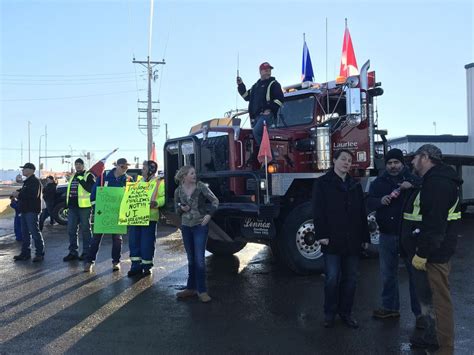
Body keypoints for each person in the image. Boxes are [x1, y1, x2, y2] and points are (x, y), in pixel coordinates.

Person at [401, 144, 462, 354]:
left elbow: (435, 226)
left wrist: (422, 253)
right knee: (429, 299)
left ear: (425, 157)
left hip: (434, 254)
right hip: (430, 251)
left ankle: (445, 348)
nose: (411, 161)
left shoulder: (437, 184)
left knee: (440, 301)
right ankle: (432, 339)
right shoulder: (433, 181)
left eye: (414, 157)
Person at [312, 149, 370, 328]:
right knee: (331, 278)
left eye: (349, 160)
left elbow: (362, 212)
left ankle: (346, 313)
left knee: (351, 279)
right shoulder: (322, 183)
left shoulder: (355, 184)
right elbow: (318, 210)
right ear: (334, 161)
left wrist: (365, 237)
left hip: (352, 240)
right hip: (332, 240)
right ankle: (329, 314)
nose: (347, 163)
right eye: (343, 159)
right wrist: (321, 235)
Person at [367, 149, 423, 326]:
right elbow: (368, 202)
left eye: (396, 163)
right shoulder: (378, 183)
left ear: (402, 164)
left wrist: (412, 185)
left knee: (415, 276)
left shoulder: (413, 179)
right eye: (390, 163)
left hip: (409, 236)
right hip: (387, 235)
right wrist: (379, 201)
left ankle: (420, 314)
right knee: (387, 274)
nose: (393, 166)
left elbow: (428, 189)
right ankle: (390, 308)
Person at [174, 165, 219, 303]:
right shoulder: (178, 191)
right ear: (184, 176)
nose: (194, 175)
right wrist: (182, 209)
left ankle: (202, 290)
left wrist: (209, 215)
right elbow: (176, 209)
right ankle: (190, 288)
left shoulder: (200, 187)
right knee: (191, 258)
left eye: (194, 173)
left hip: (200, 226)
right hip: (186, 227)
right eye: (191, 173)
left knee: (199, 260)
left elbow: (215, 201)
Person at [84, 158, 133, 272]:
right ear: (116, 165)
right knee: (96, 238)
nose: (125, 169)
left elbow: (131, 198)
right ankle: (89, 261)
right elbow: (94, 194)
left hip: (118, 215)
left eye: (126, 167)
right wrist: (97, 209)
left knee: (117, 239)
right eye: (123, 167)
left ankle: (116, 262)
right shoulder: (104, 177)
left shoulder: (128, 180)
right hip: (102, 214)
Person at [127, 160, 165, 277]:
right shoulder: (137, 182)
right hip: (136, 216)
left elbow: (164, 197)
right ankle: (135, 266)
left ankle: (147, 266)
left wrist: (157, 203)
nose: (141, 170)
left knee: (147, 242)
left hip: (150, 217)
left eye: (144, 168)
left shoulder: (159, 182)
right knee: (134, 241)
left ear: (151, 170)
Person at [237, 62, 284, 148]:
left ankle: (268, 157)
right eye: (266, 70)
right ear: (260, 72)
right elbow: (246, 96)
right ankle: (260, 156)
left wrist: (269, 109)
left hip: (267, 116)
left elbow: (280, 99)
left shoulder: (274, 84)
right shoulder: (255, 86)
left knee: (257, 132)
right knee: (252, 135)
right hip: (256, 118)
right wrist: (240, 85)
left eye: (269, 70)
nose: (268, 72)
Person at [63, 158, 95, 261]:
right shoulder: (73, 176)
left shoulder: (88, 176)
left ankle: (86, 252)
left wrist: (81, 180)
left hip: (84, 207)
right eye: (76, 164)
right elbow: (69, 192)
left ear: (83, 165)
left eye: (80, 164)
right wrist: (66, 206)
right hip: (72, 207)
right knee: (71, 230)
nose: (78, 166)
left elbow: (91, 189)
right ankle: (73, 252)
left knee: (85, 230)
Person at [12, 163, 45, 262]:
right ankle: (25, 253)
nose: (22, 171)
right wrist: (17, 193)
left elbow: (33, 195)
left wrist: (19, 194)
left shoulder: (34, 181)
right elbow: (25, 192)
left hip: (32, 211)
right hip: (25, 210)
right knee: (25, 233)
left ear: (31, 170)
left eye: (24, 169)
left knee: (35, 232)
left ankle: (39, 253)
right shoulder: (27, 182)